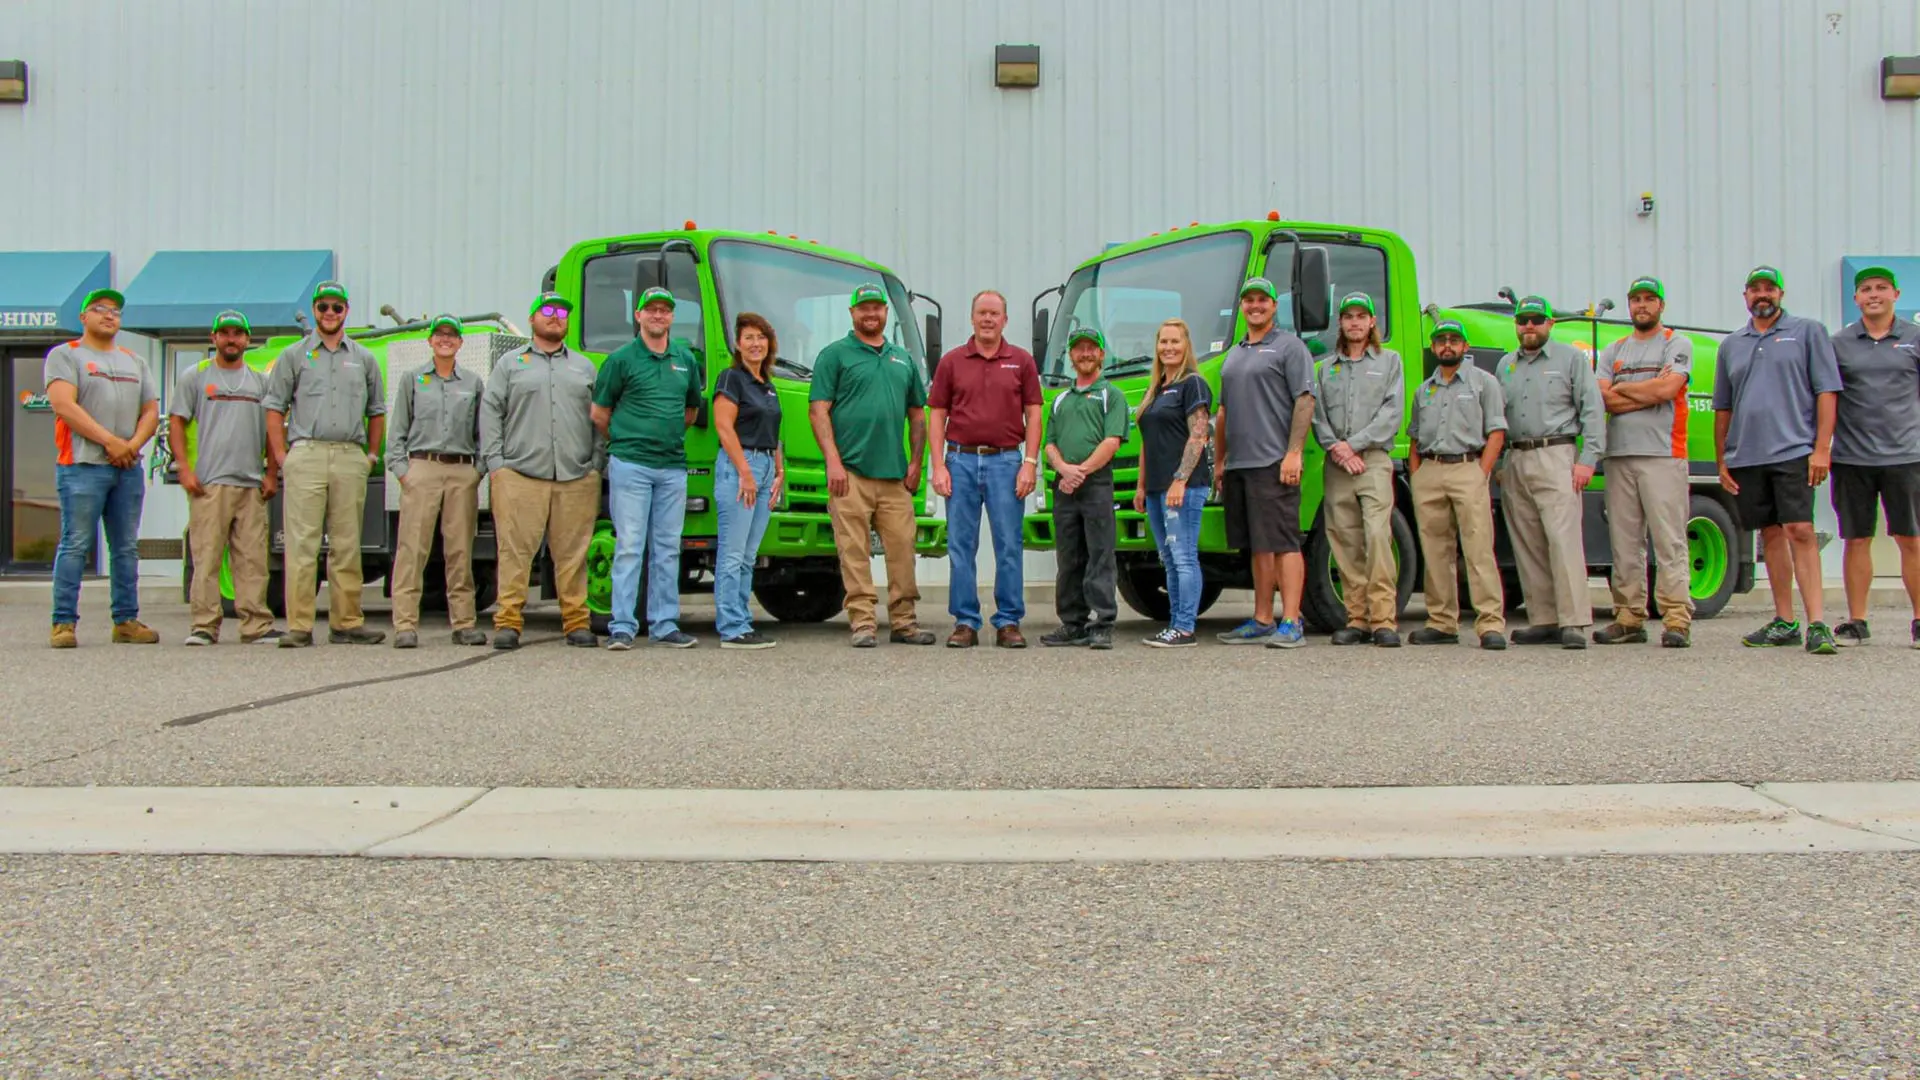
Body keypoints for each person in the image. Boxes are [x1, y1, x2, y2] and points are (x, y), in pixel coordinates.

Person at [1713, 266, 1843, 654]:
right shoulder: (1732, 344)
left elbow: (1827, 391)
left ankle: (1817, 623)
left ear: (1781, 293)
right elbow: (1723, 407)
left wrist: (1822, 448)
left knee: (1800, 530)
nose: (1762, 295)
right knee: (1768, 534)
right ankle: (1784, 620)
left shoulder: (1807, 332)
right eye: (1755, 289)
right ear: (1745, 297)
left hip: (1793, 450)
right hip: (1748, 455)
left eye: (1769, 288)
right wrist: (1722, 461)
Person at [808, 282, 934, 648]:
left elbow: (918, 416)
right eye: (864, 308)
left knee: (902, 550)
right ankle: (863, 623)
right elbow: (819, 411)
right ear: (852, 314)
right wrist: (833, 462)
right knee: (854, 552)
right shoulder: (835, 356)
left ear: (885, 313)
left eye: (877, 308)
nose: (871, 314)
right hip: (850, 474)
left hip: (895, 477)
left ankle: (904, 622)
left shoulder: (902, 359)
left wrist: (916, 463)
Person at [263, 280, 386, 647]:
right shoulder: (294, 356)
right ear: (314, 310)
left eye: (337, 307)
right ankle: (299, 626)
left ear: (346, 311)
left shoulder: (363, 358)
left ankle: (346, 622)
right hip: (308, 452)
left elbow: (377, 411)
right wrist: (283, 455)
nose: (329, 313)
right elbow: (274, 407)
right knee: (302, 544)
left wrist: (371, 457)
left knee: (348, 543)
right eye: (323, 307)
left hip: (350, 455)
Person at [481, 291, 605, 651]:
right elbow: (491, 413)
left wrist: (595, 465)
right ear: (533, 318)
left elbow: (598, 418)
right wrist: (496, 465)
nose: (556, 317)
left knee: (573, 555)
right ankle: (508, 622)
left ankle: (576, 622)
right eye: (548, 311)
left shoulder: (583, 367)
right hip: (520, 475)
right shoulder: (510, 364)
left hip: (575, 476)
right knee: (515, 552)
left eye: (563, 312)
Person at [43, 287, 161, 648]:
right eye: (100, 309)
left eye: (115, 311)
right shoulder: (65, 356)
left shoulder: (134, 361)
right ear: (83, 317)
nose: (109, 315)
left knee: (125, 547)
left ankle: (125, 620)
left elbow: (151, 411)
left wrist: (132, 446)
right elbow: (64, 405)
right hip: (81, 466)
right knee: (75, 544)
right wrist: (110, 442)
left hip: (128, 467)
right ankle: (64, 623)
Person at [929, 290, 1042, 648]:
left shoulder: (1021, 361)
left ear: (1005, 320)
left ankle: (1008, 622)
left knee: (1009, 544)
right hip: (959, 461)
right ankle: (965, 622)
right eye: (982, 313)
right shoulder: (951, 362)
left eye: (995, 313)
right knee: (961, 546)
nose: (988, 319)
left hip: (1007, 462)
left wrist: (1030, 464)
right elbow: (937, 415)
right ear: (972, 318)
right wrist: (938, 466)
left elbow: (1035, 413)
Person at [593, 286, 703, 650]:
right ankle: (622, 625)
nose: (658, 315)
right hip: (631, 466)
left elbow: (690, 412)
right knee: (629, 546)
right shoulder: (621, 360)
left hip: (672, 468)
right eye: (651, 310)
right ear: (638, 316)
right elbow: (600, 413)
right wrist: (627, 440)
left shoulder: (685, 360)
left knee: (668, 547)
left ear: (672, 317)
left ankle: (664, 623)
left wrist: (663, 436)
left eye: (665, 310)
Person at [1492, 295, 1605, 649]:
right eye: (1523, 319)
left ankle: (1573, 621)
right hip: (1516, 458)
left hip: (1556, 454)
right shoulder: (1505, 365)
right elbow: (1495, 418)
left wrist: (1588, 459)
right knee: (1528, 543)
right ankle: (1543, 618)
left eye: (1537, 319)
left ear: (1550, 324)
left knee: (1562, 540)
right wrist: (1498, 464)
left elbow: (1592, 409)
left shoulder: (1570, 359)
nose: (1529, 325)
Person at [1213, 276, 1315, 648]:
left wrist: (1293, 453)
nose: (1255, 306)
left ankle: (1291, 620)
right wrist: (1221, 460)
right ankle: (1262, 619)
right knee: (1258, 544)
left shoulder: (1289, 347)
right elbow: (1223, 412)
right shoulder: (1236, 352)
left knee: (1284, 540)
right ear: (1241, 306)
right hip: (1241, 465)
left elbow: (1305, 400)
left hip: (1274, 460)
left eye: (1262, 300)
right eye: (1248, 300)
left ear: (1274, 306)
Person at [1593, 277, 1694, 648]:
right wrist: (1647, 391)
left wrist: (1625, 391)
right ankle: (1629, 616)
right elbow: (1602, 399)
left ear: (1661, 305)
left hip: (1663, 454)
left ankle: (1677, 618)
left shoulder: (1676, 343)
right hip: (1619, 454)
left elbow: (1669, 390)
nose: (1642, 305)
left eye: (1650, 299)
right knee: (1624, 542)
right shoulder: (1613, 349)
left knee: (1669, 540)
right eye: (1636, 299)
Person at [168, 310, 279, 646]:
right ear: (213, 338)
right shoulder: (196, 377)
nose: (232, 339)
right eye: (225, 333)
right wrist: (184, 469)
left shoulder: (260, 381)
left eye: (238, 333)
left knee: (252, 559)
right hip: (209, 483)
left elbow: (274, 429)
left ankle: (255, 626)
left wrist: (272, 473)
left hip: (250, 484)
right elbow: (176, 422)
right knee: (207, 557)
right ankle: (204, 625)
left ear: (248, 339)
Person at [1828, 266, 1920, 648]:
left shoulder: (1915, 338)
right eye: (1866, 289)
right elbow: (1827, 398)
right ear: (1856, 299)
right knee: (1857, 538)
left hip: (1905, 456)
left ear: (1896, 294)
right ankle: (1857, 620)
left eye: (1881, 288)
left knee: (1910, 539)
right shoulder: (1839, 344)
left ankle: (1919, 620)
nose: (1874, 294)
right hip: (1853, 458)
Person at [385, 313, 486, 649]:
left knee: (460, 549)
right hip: (422, 467)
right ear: (429, 340)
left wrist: (477, 471)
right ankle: (405, 624)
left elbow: (482, 433)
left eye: (452, 335)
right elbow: (397, 431)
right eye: (439, 334)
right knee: (412, 548)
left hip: (461, 470)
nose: (446, 339)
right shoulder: (412, 379)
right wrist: (404, 472)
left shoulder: (472, 383)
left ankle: (464, 623)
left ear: (460, 342)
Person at [1407, 320, 1509, 650]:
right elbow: (1414, 436)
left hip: (1468, 467)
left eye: (1454, 340)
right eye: (1441, 341)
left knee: (1478, 549)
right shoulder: (1425, 389)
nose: (1447, 346)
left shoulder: (1484, 383)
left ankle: (1490, 622)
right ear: (1434, 348)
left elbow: (1496, 431)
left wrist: (1482, 472)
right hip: (1431, 470)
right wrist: (1417, 473)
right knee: (1436, 551)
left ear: (1465, 347)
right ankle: (1441, 621)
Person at [1312, 291, 1406, 647]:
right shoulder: (1325, 367)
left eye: (1360, 316)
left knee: (1378, 536)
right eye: (1348, 316)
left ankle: (1384, 619)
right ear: (1340, 323)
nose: (1354, 322)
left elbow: (1392, 412)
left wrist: (1355, 445)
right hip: (1337, 464)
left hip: (1373, 461)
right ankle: (1358, 619)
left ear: (1372, 323)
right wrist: (1337, 448)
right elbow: (1318, 415)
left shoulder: (1390, 361)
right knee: (1344, 539)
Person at [1039, 327, 1128, 649]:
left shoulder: (1111, 395)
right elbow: (1049, 444)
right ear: (1071, 356)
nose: (1086, 354)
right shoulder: (1060, 399)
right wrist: (1064, 469)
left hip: (1097, 484)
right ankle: (1073, 622)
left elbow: (1112, 441)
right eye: (1079, 349)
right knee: (1069, 557)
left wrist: (1082, 471)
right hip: (1064, 486)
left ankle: (1103, 622)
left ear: (1102, 354)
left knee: (1100, 554)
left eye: (1092, 348)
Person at [1132, 318, 1213, 648]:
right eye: (1163, 342)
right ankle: (1175, 624)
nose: (1168, 348)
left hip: (1183, 487)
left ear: (1186, 345)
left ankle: (1185, 627)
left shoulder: (1193, 384)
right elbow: (1146, 442)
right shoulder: (1156, 390)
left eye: (1175, 342)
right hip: (1155, 488)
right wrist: (1141, 486)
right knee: (1168, 557)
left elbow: (1198, 435)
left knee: (1183, 556)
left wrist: (1180, 480)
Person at [712, 311, 786, 650]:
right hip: (739, 466)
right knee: (732, 553)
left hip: (766, 466)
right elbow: (724, 428)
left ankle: (742, 621)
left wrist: (779, 472)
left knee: (748, 555)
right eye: (749, 338)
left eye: (761, 337)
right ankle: (731, 627)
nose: (755, 343)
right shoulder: (731, 379)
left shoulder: (768, 385)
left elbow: (774, 433)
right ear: (738, 345)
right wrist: (744, 472)